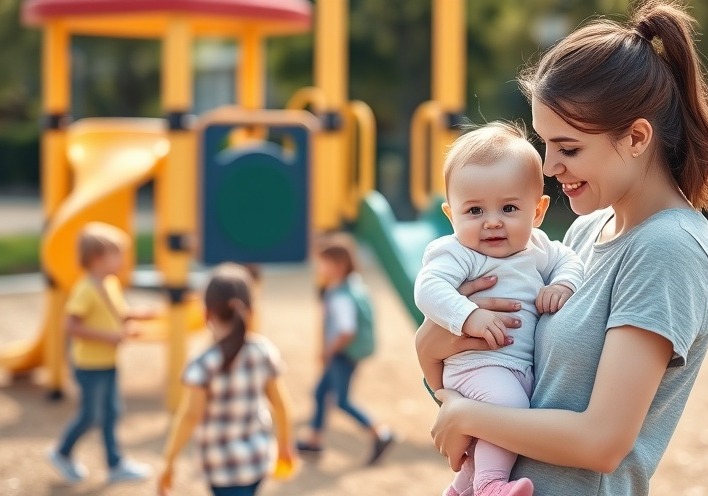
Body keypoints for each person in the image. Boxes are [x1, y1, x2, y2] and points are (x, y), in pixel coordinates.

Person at [415, 1, 708, 494]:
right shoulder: (586, 233)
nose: (548, 166)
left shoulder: (668, 249)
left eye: (569, 148)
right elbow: (512, 375)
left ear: (637, 137)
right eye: (544, 144)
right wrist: (429, 348)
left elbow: (602, 442)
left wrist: (464, 412)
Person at [414, 122, 584, 496]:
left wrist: (562, 285)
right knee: (507, 412)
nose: (492, 221)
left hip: (514, 369)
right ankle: (491, 486)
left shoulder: (539, 247)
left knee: (504, 419)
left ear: (537, 211)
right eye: (474, 210)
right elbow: (428, 288)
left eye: (509, 207)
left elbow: (571, 261)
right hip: (476, 367)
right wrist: (468, 315)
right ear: (451, 214)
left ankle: (462, 488)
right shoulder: (457, 253)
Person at [158, 263, 296, 496]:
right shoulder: (263, 351)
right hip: (257, 458)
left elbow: (190, 416)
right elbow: (281, 405)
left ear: (206, 313)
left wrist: (169, 462)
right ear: (251, 310)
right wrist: (284, 446)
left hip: (221, 466)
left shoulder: (203, 365)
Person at [46, 222, 155, 484]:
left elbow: (117, 314)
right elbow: (70, 325)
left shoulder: (110, 283)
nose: (123, 260)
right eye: (117, 254)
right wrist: (109, 336)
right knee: (91, 415)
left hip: (107, 361)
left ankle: (114, 463)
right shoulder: (86, 289)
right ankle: (61, 452)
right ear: (97, 258)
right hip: (89, 365)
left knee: (112, 412)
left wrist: (140, 317)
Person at [296, 233, 395, 465]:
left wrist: (328, 351)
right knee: (320, 393)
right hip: (346, 352)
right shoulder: (351, 284)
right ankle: (314, 440)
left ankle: (380, 433)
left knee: (341, 400)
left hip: (343, 354)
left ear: (338, 265)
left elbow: (346, 330)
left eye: (323, 262)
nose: (318, 267)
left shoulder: (340, 295)